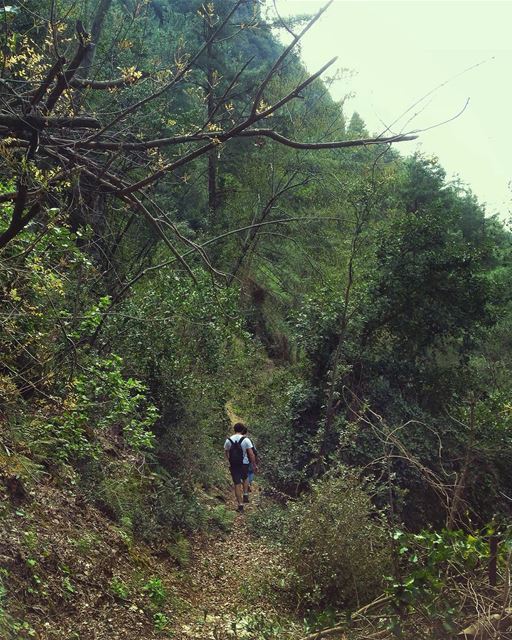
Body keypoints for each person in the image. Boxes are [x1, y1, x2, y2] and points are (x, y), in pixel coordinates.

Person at [224, 422, 258, 513]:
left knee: (237, 483)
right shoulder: (246, 440)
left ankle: (240, 505)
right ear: (243, 430)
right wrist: (254, 465)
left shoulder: (228, 440)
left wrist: (230, 461)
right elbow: (251, 454)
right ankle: (245, 494)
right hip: (244, 463)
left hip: (234, 464)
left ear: (234, 429)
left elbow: (226, 453)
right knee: (245, 477)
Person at [240, 425, 259, 492]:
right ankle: (248, 484)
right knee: (250, 472)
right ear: (246, 432)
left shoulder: (234, 439)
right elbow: (254, 451)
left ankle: (243, 482)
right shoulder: (248, 440)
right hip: (248, 459)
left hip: (237, 460)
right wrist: (255, 461)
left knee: (241, 473)